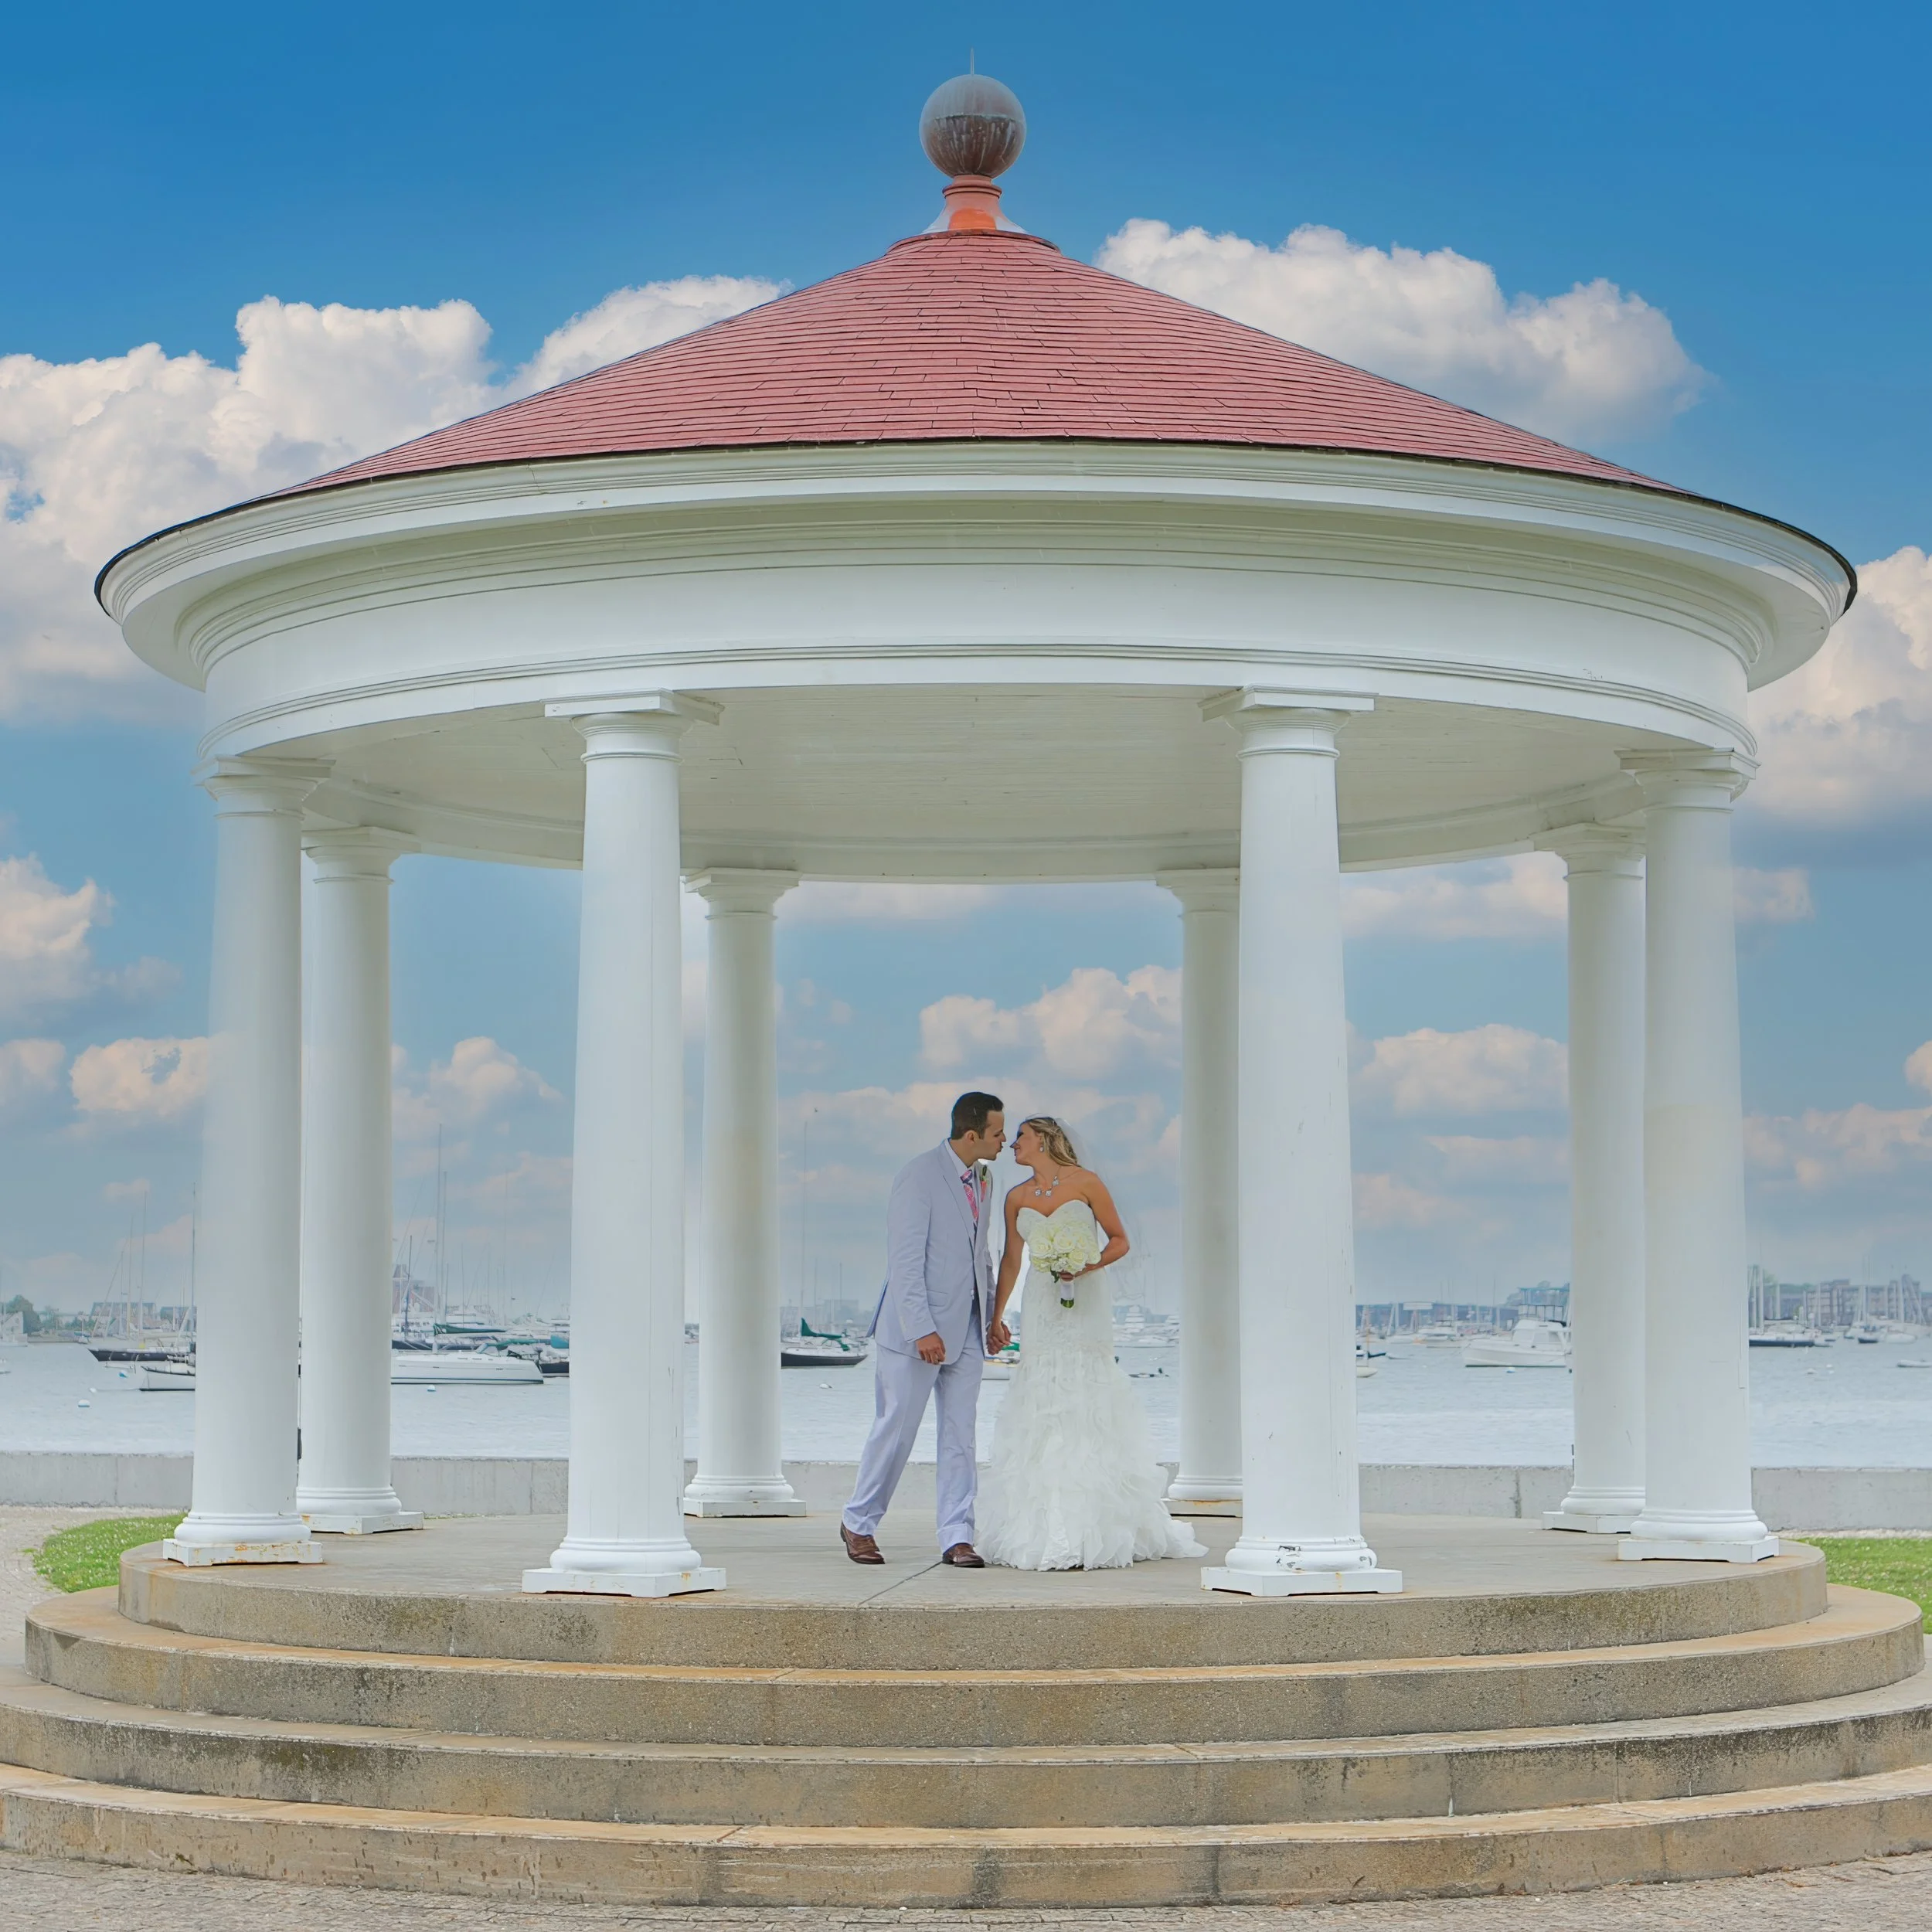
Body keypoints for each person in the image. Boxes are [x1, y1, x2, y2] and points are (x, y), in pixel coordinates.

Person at [976, 1116, 1206, 1570]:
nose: (1011, 1146)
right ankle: (1042, 1526)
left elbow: (1121, 1241)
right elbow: (1010, 1260)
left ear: (1041, 1139)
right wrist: (996, 1316)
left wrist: (1086, 1266)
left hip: (1086, 1299)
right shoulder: (1016, 1197)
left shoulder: (1087, 1183)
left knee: (1087, 1390)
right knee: (1042, 1393)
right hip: (1043, 1302)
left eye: (1019, 1137)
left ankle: (1099, 1523)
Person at [840, 1092, 1005, 1567]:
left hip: (969, 1329)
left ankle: (957, 1536)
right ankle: (859, 1522)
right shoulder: (918, 1176)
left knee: (961, 1435)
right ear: (971, 1135)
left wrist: (992, 1317)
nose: (1004, 1140)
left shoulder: (985, 1178)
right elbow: (905, 1262)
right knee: (896, 1430)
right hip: (915, 1332)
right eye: (997, 1133)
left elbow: (982, 1256)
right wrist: (922, 1330)